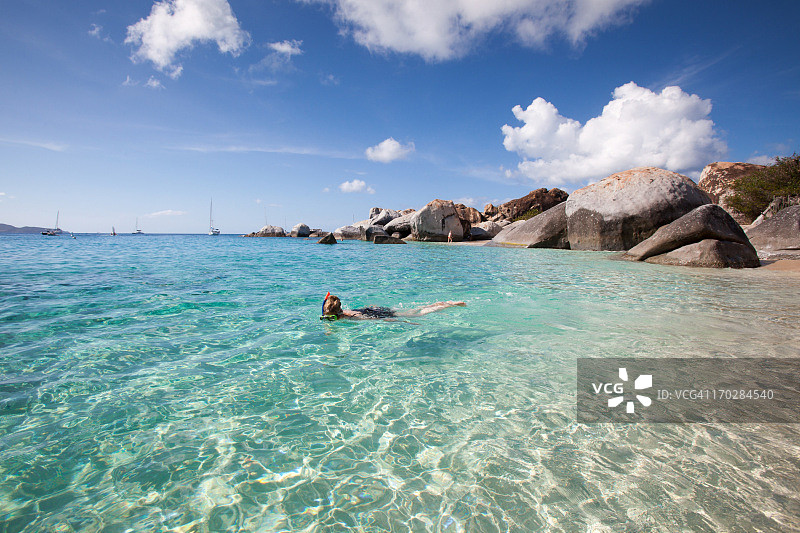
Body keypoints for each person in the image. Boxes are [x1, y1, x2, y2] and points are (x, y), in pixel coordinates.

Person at [321, 292, 465, 320]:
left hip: (379, 314)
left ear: (337, 315)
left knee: (417, 315)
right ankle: (440, 303)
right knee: (412, 309)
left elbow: (373, 319)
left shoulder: (351, 316)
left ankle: (446, 306)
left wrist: (400, 322)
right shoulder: (344, 311)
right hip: (376, 309)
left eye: (331, 319)